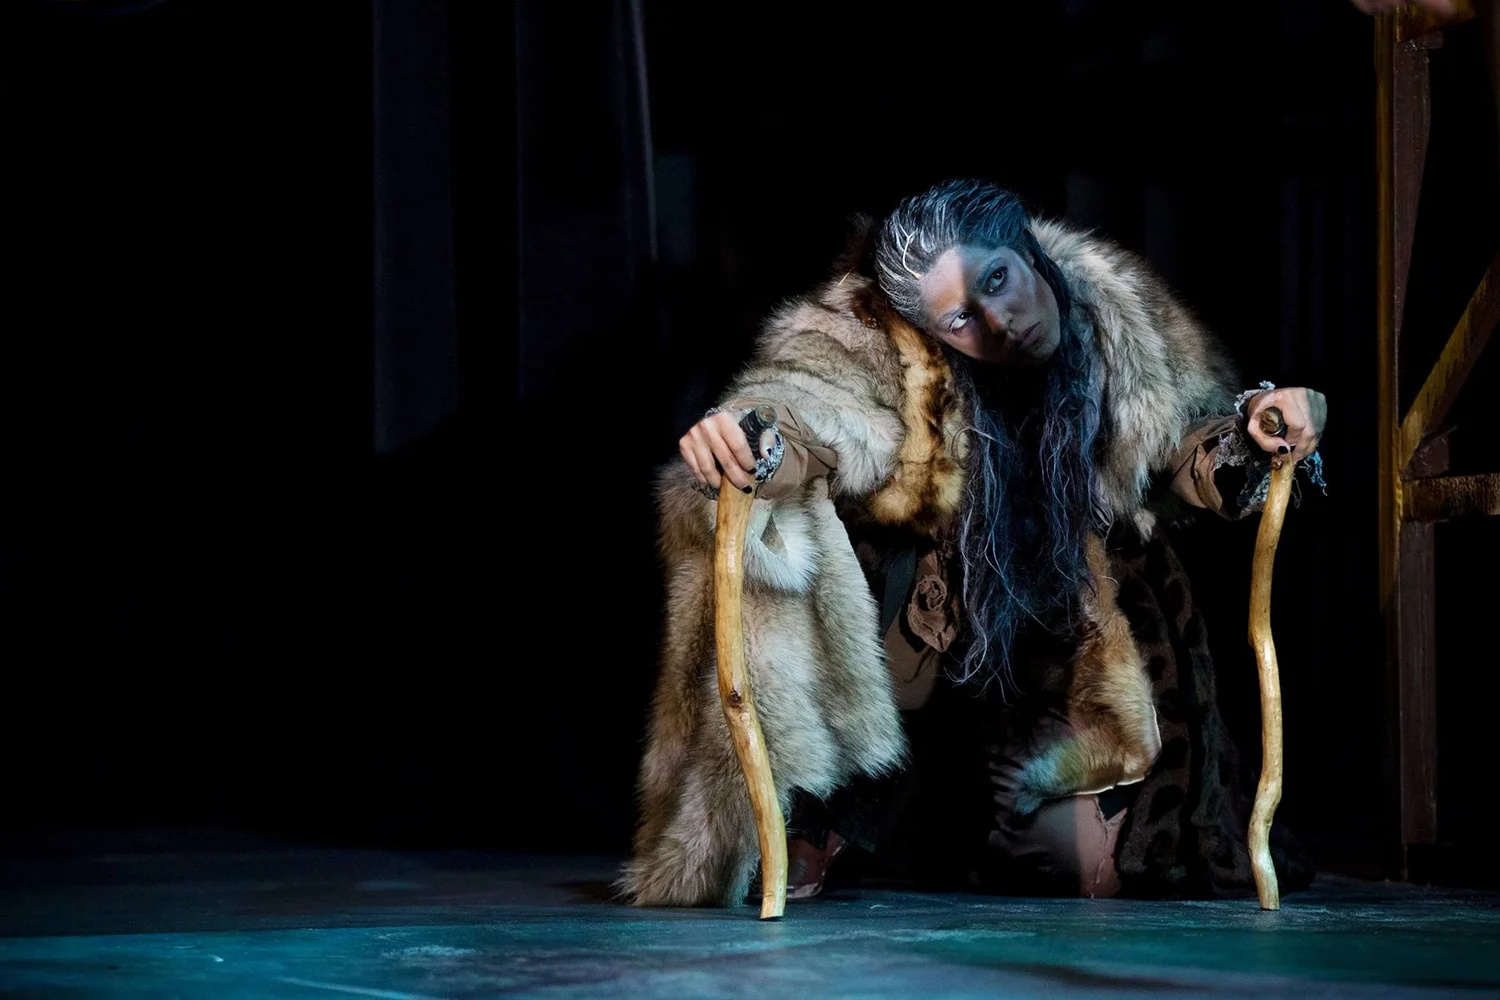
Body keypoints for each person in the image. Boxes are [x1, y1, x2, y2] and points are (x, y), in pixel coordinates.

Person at [620, 179, 1326, 907]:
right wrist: (749, 438)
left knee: (1094, 866)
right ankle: (835, 806)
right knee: (808, 526)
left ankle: (963, 817)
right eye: (959, 318)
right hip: (925, 646)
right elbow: (805, 412)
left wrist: (1259, 429)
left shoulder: (1120, 319)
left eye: (997, 280)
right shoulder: (873, 342)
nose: (998, 322)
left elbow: (1193, 445)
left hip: (1068, 646)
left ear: (1024, 249)